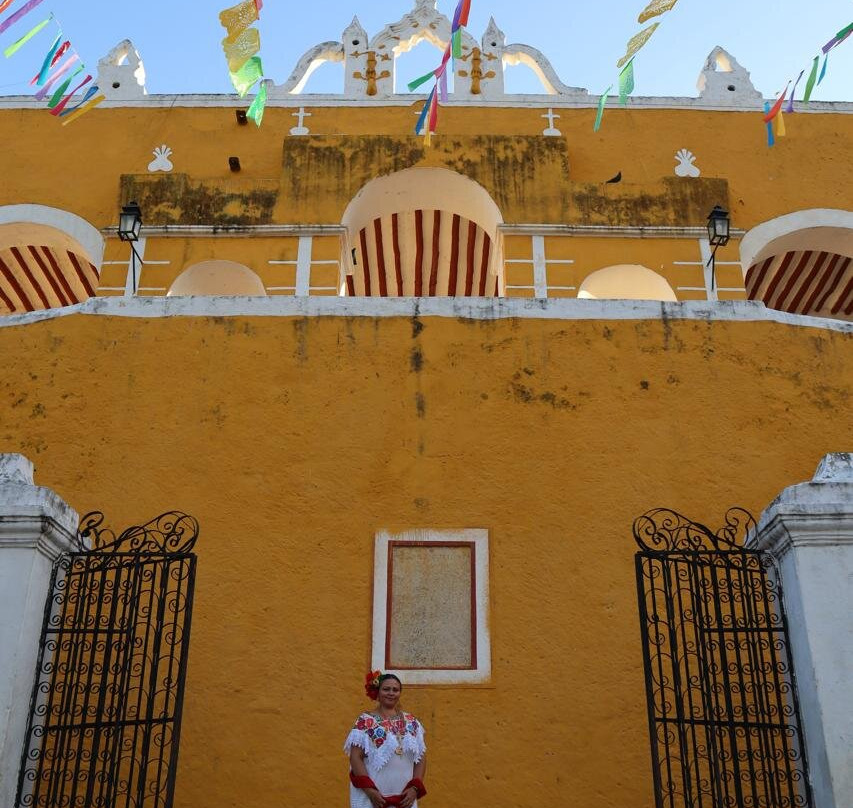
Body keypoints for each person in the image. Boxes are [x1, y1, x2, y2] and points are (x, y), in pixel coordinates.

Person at [344, 671, 427, 808]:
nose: (391, 693)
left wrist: (414, 788)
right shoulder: (365, 722)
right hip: (372, 799)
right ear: (378, 692)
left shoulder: (411, 722)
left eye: (395, 690)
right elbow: (355, 757)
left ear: (400, 693)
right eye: (386, 689)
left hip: (404, 800)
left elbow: (421, 757)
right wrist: (370, 791)